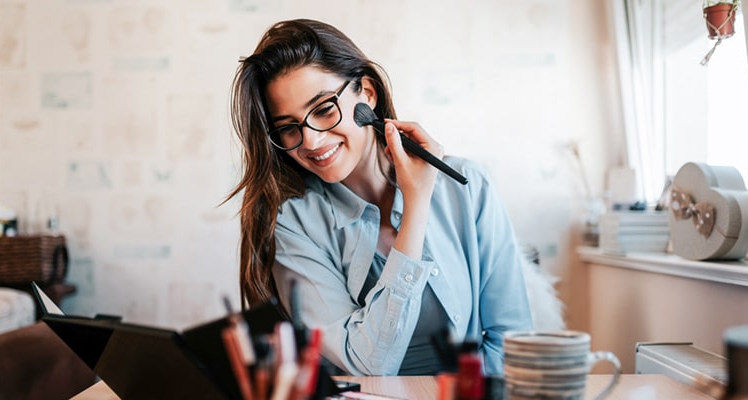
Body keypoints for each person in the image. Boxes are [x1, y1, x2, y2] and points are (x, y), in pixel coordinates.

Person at [226, 19, 532, 377]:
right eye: (289, 127)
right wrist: (416, 207)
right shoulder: (295, 224)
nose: (310, 141)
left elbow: (512, 341)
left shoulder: (467, 187)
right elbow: (365, 363)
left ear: (367, 94)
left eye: (324, 109)